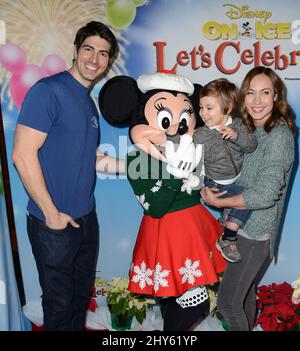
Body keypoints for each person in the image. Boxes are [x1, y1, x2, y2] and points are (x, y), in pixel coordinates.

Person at [11, 21, 123, 331]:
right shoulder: (49, 91)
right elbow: (21, 154)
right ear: (75, 51)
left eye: (103, 54)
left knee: (78, 300)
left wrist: (141, 165)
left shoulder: (87, 102)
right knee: (59, 306)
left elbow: (91, 161)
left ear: (108, 62)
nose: (94, 59)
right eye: (88, 49)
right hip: (53, 223)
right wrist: (51, 214)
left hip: (86, 220)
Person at [98, 72, 226, 331]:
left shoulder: (190, 152)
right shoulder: (139, 160)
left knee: (181, 299)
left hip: (193, 231)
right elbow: (155, 206)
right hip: (165, 234)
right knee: (190, 302)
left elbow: (198, 190)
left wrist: (199, 178)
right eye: (165, 119)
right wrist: (177, 174)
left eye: (183, 119)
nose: (174, 128)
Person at [201, 66, 296, 331]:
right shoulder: (244, 128)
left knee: (228, 303)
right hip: (238, 226)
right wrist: (208, 189)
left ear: (276, 96)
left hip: (256, 233)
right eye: (250, 93)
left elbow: (266, 194)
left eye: (264, 93)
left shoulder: (279, 136)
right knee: (243, 297)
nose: (256, 101)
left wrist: (220, 203)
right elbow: (222, 165)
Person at [197, 78, 257, 263]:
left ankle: (225, 219)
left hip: (236, 179)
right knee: (246, 201)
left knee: (247, 196)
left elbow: (251, 145)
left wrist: (237, 137)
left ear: (228, 107)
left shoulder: (238, 125)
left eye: (209, 108)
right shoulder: (201, 134)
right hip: (215, 183)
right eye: (201, 108)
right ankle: (228, 237)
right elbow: (194, 163)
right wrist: (200, 187)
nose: (203, 113)